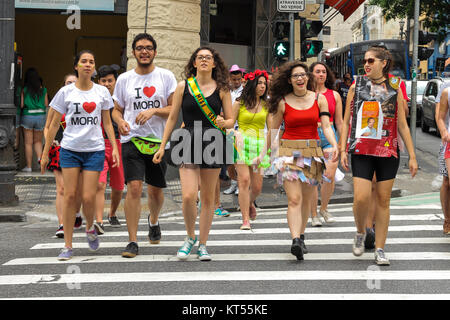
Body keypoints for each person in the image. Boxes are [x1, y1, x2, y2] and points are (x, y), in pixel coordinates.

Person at [153, 46, 234, 261]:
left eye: (209, 57)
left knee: (208, 198)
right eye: (200, 57)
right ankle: (190, 237)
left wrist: (224, 122)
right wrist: (163, 145)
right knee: (189, 195)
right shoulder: (184, 86)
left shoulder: (223, 88)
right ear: (195, 63)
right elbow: (172, 117)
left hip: (213, 140)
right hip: (187, 139)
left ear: (214, 63)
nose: (205, 60)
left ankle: (203, 244)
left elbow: (231, 120)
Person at [340, 46, 418, 266]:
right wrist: (342, 147)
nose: (367, 64)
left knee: (383, 201)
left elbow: (402, 124)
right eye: (365, 60)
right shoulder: (357, 85)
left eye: (371, 60)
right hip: (361, 150)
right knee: (361, 197)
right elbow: (346, 121)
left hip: (387, 150)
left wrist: (412, 155)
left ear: (384, 63)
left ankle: (381, 248)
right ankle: (360, 231)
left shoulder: (395, 86)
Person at [41, 50, 119, 261]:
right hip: (70, 150)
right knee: (70, 195)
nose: (87, 64)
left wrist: (114, 147)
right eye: (83, 61)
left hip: (94, 150)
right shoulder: (65, 93)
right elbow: (54, 123)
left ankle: (90, 226)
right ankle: (67, 245)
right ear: (76, 66)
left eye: (91, 62)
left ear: (94, 68)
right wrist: (46, 152)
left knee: (87, 196)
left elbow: (107, 123)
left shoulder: (102, 92)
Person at [260, 60, 338, 261]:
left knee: (305, 200)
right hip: (288, 152)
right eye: (296, 76)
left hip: (312, 151)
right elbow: (274, 131)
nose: (300, 78)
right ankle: (295, 239)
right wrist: (264, 153)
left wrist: (334, 144)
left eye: (303, 74)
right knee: (294, 199)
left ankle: (301, 236)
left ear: (308, 78)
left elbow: (327, 126)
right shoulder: (282, 102)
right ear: (289, 80)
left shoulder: (319, 99)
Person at [112, 33, 177, 258]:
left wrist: (153, 111)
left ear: (155, 52)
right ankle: (132, 240)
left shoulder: (166, 77)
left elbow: (173, 109)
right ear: (133, 53)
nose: (144, 51)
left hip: (158, 142)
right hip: (132, 141)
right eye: (140, 48)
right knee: (135, 188)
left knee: (156, 191)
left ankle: (154, 220)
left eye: (148, 48)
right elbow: (116, 108)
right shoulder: (124, 79)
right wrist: (120, 121)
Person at [43, 73, 83, 238]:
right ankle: (61, 224)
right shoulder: (57, 103)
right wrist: (49, 141)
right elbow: (47, 127)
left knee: (77, 190)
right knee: (61, 189)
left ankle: (77, 214)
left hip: (80, 149)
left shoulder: (84, 101)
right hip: (59, 149)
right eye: (68, 82)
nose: (71, 85)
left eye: (74, 82)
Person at [231, 69, 270, 229]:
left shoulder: (267, 104)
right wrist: (235, 134)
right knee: (244, 181)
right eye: (259, 83)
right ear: (252, 84)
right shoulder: (239, 103)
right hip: (240, 145)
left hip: (259, 146)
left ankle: (249, 203)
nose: (263, 86)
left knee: (257, 188)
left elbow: (273, 127)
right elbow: (228, 125)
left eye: (264, 83)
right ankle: (245, 220)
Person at [309, 62, 343, 227]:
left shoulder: (334, 95)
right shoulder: (306, 94)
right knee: (314, 178)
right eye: (317, 71)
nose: (321, 74)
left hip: (329, 136)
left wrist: (341, 143)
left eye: (323, 72)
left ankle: (324, 208)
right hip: (311, 136)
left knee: (329, 175)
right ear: (311, 74)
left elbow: (340, 122)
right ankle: (314, 214)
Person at [94, 65, 125, 234]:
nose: (106, 84)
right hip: (98, 144)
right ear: (99, 82)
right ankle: (99, 220)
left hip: (119, 144)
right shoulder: (95, 97)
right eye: (103, 80)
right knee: (100, 184)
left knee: (119, 186)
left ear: (115, 81)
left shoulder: (121, 99)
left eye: (110, 81)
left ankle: (112, 213)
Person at [20, 68, 49, 172]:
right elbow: (46, 104)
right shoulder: (43, 89)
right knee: (38, 141)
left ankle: (29, 167)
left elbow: (22, 105)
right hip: (40, 116)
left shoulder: (24, 89)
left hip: (28, 116)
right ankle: (40, 161)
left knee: (28, 143)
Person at [223, 64, 245, 196]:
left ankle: (241, 186)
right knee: (229, 160)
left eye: (239, 79)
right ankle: (233, 183)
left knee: (240, 160)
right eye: (234, 79)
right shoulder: (225, 92)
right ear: (229, 78)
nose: (237, 82)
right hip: (227, 129)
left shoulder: (246, 92)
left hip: (240, 130)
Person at [435, 83, 450, 234]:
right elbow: (439, 115)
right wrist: (444, 132)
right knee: (446, 181)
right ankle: (447, 220)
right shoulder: (446, 88)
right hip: (448, 143)